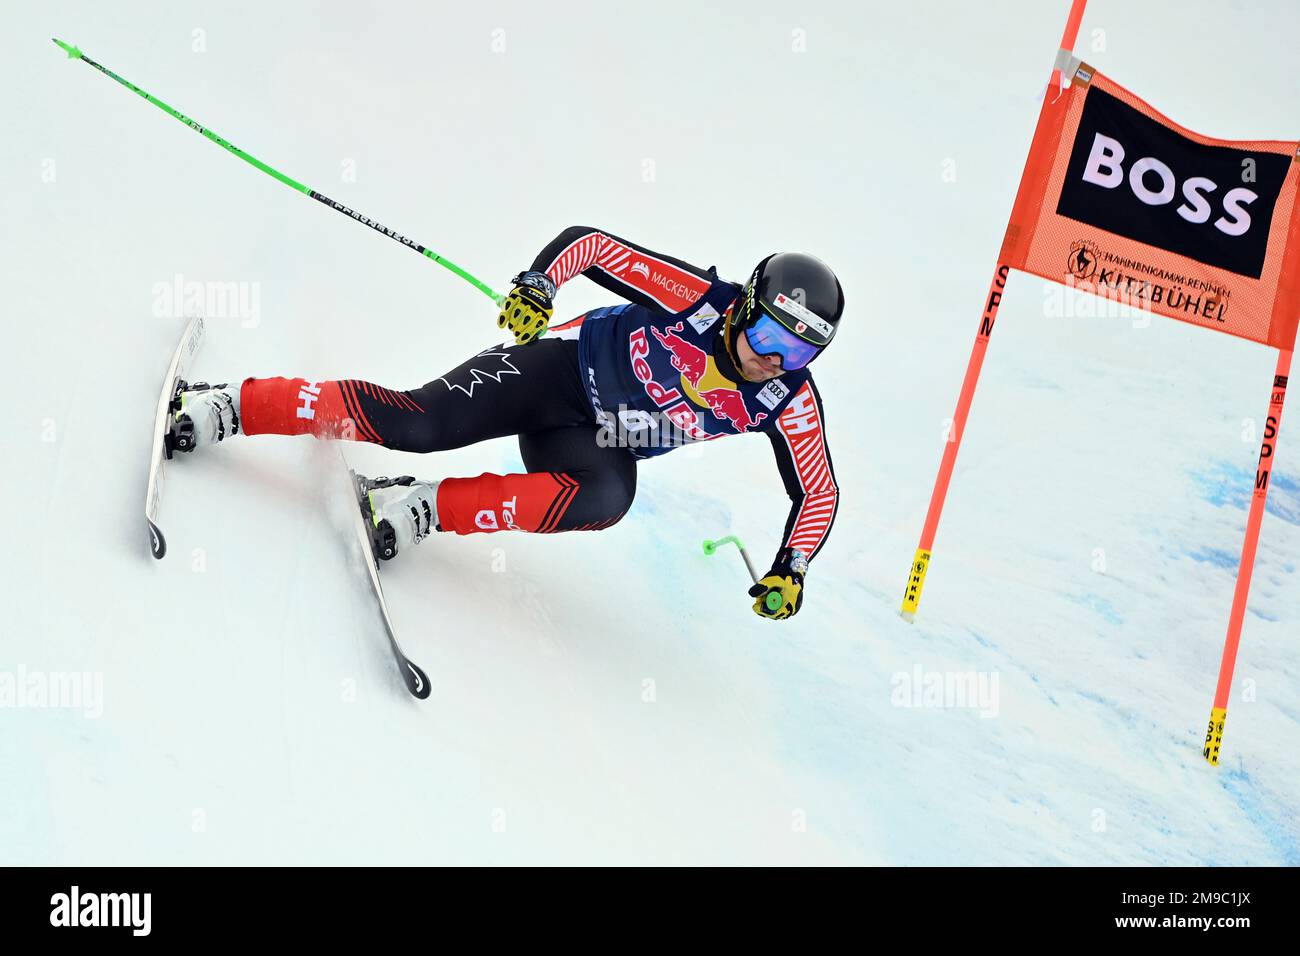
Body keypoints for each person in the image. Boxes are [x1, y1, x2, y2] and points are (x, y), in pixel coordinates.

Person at [170, 227, 842, 620]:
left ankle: (422, 505)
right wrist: (540, 285)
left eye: (800, 353)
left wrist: (793, 566)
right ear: (744, 306)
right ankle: (234, 402)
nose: (773, 361)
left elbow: (818, 491)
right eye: (770, 336)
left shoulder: (786, 398)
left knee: (609, 498)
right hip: (552, 372)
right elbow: (595, 248)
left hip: (595, 441)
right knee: (418, 423)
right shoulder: (697, 297)